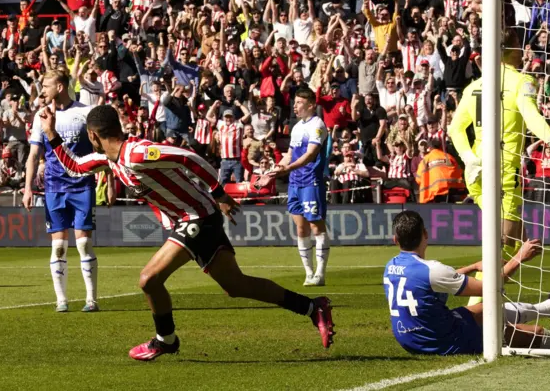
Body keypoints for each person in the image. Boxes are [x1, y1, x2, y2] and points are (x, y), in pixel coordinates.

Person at [37, 103, 335, 360]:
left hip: (197, 218)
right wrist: (50, 132)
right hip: (195, 219)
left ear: (92, 136)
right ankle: (312, 307)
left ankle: (165, 340)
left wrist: (218, 193)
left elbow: (189, 158)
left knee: (148, 279)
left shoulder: (139, 153)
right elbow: (73, 166)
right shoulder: (109, 160)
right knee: (236, 286)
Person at [448, 29, 550, 302]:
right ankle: (475, 312)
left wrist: (469, 158)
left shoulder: (474, 86)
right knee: (501, 250)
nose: (523, 52)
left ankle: (548, 304)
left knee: (519, 243)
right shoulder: (520, 81)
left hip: (476, 171)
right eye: (519, 47)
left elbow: (455, 128)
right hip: (503, 173)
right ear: (511, 49)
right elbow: (532, 116)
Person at [384, 210, 550, 356]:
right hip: (440, 341)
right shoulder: (431, 270)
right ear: (426, 234)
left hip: (411, 339)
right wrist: (520, 257)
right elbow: (493, 288)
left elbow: (435, 281)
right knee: (532, 332)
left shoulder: (390, 266)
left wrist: (474, 266)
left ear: (395, 240)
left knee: (485, 309)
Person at [22, 70, 107, 313]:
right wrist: (28, 187)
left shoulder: (84, 112)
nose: (42, 90)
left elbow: (101, 149)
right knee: (58, 247)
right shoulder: (41, 117)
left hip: (81, 184)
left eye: (46, 85)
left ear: (60, 87)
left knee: (83, 245)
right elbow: (33, 155)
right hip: (53, 187)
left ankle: (91, 299)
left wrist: (108, 181)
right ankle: (62, 300)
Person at [272, 88, 330, 287]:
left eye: (298, 102)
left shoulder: (318, 125)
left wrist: (286, 168)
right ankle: (308, 272)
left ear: (311, 104)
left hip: (311, 180)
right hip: (294, 182)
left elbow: (311, 155)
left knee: (316, 226)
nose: (294, 106)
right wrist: (276, 168)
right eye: (294, 102)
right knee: (300, 227)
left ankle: (320, 273)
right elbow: (290, 154)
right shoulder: (296, 127)